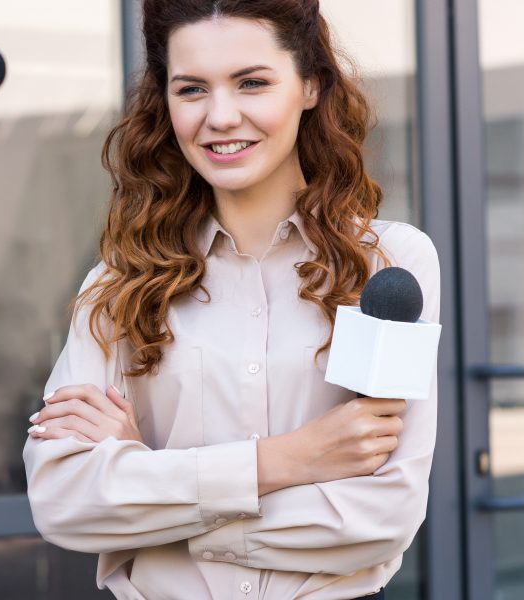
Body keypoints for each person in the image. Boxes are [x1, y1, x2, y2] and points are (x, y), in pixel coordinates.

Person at [22, 1, 439, 599]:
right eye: (192, 89)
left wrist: (156, 498)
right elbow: (63, 501)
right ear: (165, 103)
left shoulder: (389, 266)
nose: (220, 116)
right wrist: (287, 460)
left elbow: (382, 517)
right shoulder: (119, 283)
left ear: (311, 86)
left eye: (252, 83)